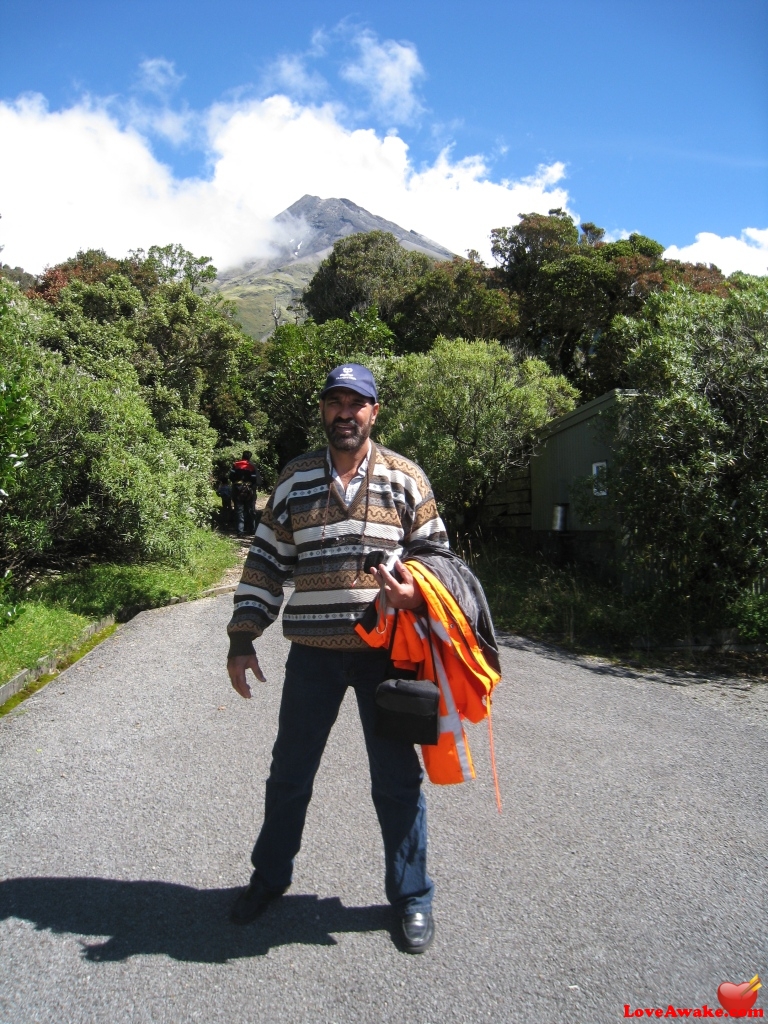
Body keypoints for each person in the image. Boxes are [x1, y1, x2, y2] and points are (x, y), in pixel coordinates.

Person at [226, 363, 449, 953]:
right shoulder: (295, 478)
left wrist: (416, 592)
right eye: (335, 402)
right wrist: (243, 635)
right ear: (323, 410)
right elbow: (266, 561)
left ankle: (411, 897)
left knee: (397, 781)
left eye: (358, 403)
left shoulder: (406, 479)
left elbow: (439, 559)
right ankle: (269, 880)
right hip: (312, 658)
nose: (345, 413)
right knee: (289, 775)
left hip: (387, 659)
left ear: (375, 412)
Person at [230, 450, 260, 537]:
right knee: (251, 510)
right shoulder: (252, 466)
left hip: (237, 489)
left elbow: (231, 477)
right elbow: (254, 480)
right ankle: (252, 530)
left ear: (242, 456)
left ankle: (240, 531)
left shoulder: (235, 465)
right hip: (249, 490)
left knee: (239, 510)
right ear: (250, 457)